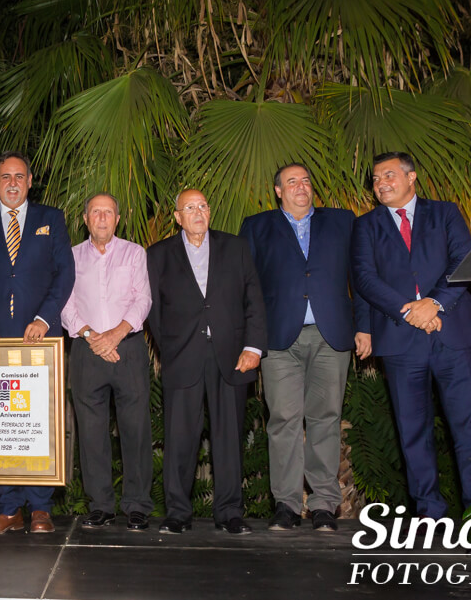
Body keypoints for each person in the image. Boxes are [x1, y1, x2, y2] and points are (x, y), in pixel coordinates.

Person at [351, 152, 471, 518]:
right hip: (401, 339)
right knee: (413, 431)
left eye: (388, 175)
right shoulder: (366, 225)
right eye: (376, 179)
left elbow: (464, 261)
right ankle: (430, 513)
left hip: (453, 334)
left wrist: (433, 303)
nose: (381, 183)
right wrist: (410, 312)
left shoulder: (445, 213)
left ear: (411, 177)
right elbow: (365, 279)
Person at [239, 164, 371, 533]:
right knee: (283, 419)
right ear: (278, 191)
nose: (301, 186)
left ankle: (324, 504)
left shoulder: (342, 222)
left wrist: (364, 326)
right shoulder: (257, 226)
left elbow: (360, 278)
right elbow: (246, 287)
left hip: (332, 335)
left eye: (306, 180)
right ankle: (286, 503)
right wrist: (250, 339)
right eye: (292, 181)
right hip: (279, 338)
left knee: (326, 418)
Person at [0, 151, 74, 535]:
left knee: (38, 419)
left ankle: (40, 508)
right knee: (2, 421)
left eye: (19, 176)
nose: (12, 183)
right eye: (5, 176)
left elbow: (65, 274)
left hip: (39, 338)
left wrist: (44, 318)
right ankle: (8, 508)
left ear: (30, 180)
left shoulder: (51, 219)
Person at [147, 189, 267, 536]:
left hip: (231, 357)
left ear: (209, 212)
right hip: (182, 357)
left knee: (229, 438)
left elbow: (254, 299)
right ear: (177, 217)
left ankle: (229, 512)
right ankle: (177, 513)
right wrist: (170, 349)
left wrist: (253, 347)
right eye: (190, 207)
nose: (198, 212)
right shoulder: (158, 255)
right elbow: (154, 311)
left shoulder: (236, 247)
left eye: (203, 206)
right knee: (179, 439)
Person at [60, 193, 153, 531]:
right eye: (95, 212)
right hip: (87, 351)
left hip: (127, 349)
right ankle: (100, 505)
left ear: (118, 219)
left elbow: (143, 299)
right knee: (91, 431)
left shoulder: (134, 253)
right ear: (85, 219)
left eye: (108, 212)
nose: (102, 218)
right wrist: (92, 336)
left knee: (136, 429)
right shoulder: (70, 256)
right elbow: (65, 304)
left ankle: (137, 505)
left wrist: (114, 335)